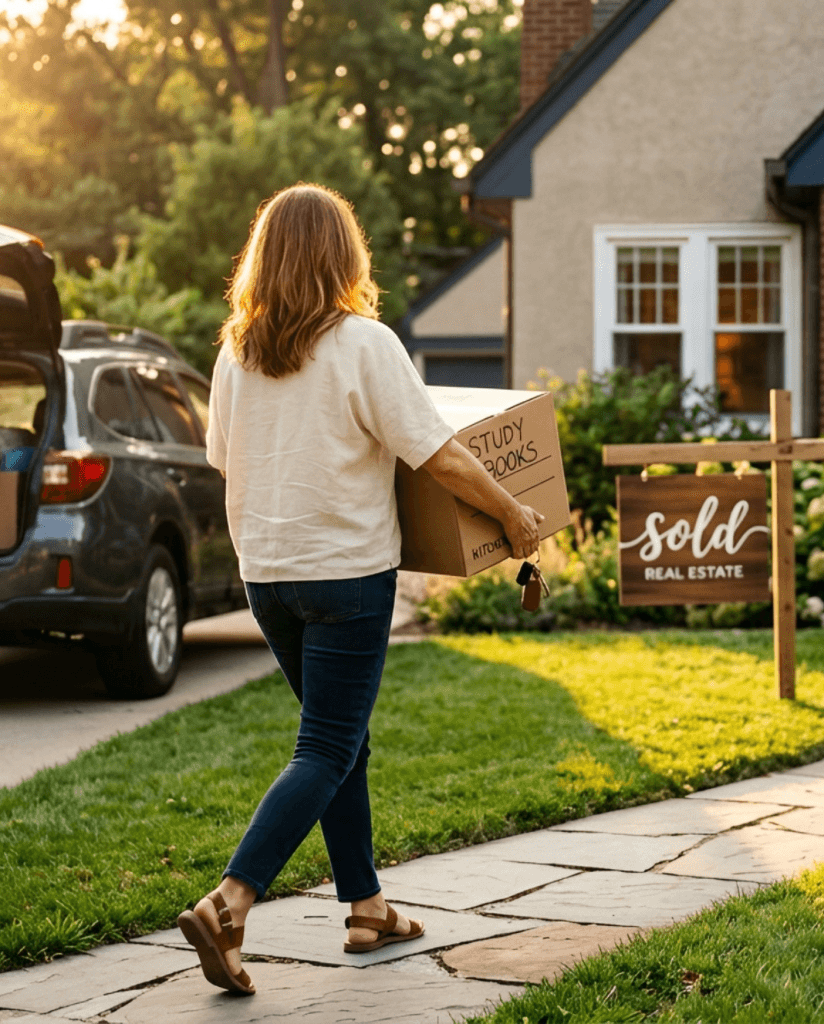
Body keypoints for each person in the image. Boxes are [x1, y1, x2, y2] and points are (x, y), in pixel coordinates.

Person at [179, 183, 544, 995]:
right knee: (326, 746)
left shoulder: (236, 351)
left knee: (343, 739)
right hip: (345, 573)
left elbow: (222, 459)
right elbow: (437, 454)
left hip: (268, 576)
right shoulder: (364, 343)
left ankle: (367, 907)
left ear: (263, 258)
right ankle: (230, 902)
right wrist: (514, 513)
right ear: (343, 255)